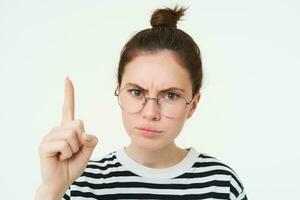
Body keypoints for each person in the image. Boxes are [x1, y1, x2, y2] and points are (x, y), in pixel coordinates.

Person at [35, 5, 247, 200]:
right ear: (119, 91)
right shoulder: (81, 182)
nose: (150, 113)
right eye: (136, 92)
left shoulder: (221, 186)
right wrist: (51, 190)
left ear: (193, 104)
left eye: (170, 95)